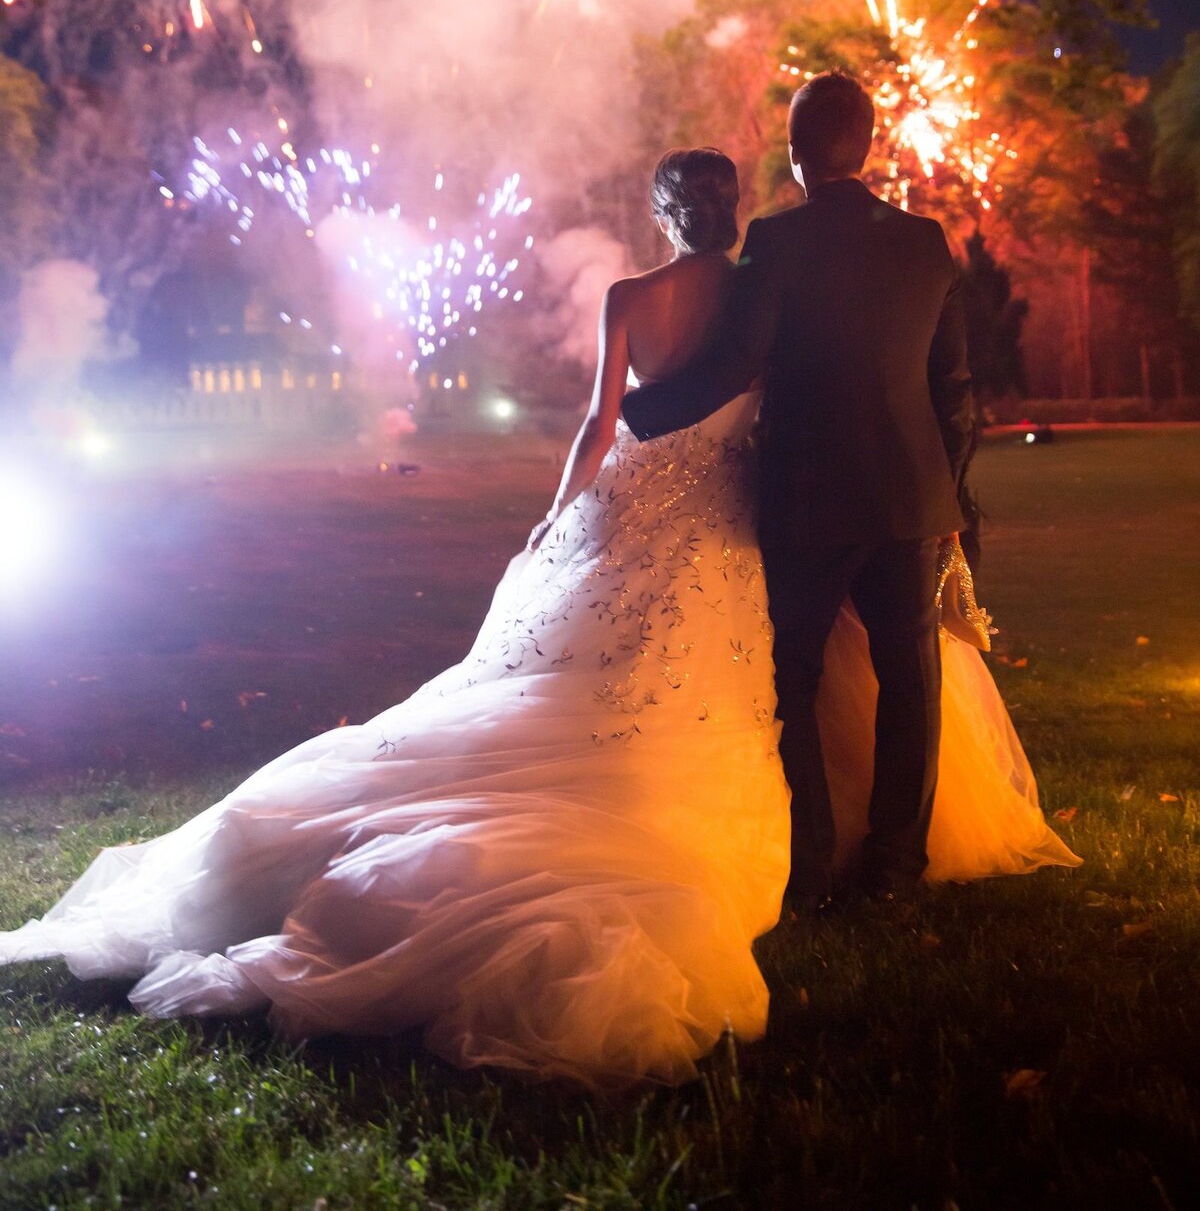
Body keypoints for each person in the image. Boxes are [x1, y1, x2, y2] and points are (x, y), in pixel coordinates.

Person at [0, 143, 1076, 1089]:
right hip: (760, 505)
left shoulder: (661, 290)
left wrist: (566, 508)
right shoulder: (771, 278)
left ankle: (818, 848)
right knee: (799, 674)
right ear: (731, 204)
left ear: (666, 213)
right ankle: (863, 851)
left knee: (690, 674)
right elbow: (823, 383)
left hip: (676, 498)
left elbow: (612, 417)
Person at [623, 74, 985, 905]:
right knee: (910, 683)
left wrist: (628, 415)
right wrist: (945, 490)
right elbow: (957, 392)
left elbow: (734, 366)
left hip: (807, 500)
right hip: (908, 501)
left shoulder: (775, 243)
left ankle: (812, 867)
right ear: (868, 145)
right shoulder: (928, 242)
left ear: (794, 152)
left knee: (792, 684)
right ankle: (896, 867)